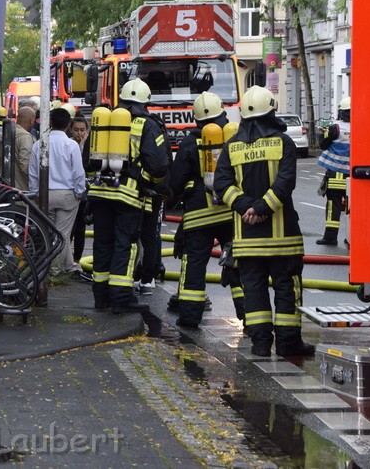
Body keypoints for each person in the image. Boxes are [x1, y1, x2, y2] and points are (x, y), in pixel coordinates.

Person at [214, 85, 314, 358]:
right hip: (283, 241)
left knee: (254, 291)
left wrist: (247, 208)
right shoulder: (284, 143)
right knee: (286, 288)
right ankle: (288, 343)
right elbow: (285, 184)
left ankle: (260, 344)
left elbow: (221, 184)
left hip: (247, 240)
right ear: (271, 111)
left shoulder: (231, 146)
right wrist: (262, 208)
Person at [86, 79, 171, 314]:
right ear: (146, 102)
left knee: (102, 244)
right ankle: (121, 298)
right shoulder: (148, 125)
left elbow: (88, 159)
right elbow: (159, 165)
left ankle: (101, 297)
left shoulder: (105, 120)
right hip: (129, 197)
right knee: (126, 245)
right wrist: (151, 185)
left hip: (100, 193)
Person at [168, 92, 244, 330]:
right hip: (231, 212)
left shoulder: (190, 143)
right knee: (238, 264)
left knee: (194, 266)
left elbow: (176, 182)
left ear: (196, 119)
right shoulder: (236, 137)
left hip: (199, 215)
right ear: (223, 112)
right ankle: (249, 317)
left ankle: (190, 318)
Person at [29, 108, 90, 281]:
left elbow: (33, 172)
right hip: (66, 195)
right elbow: (79, 172)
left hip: (44, 194)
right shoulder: (71, 145)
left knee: (50, 232)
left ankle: (68, 266)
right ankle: (55, 271)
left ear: (49, 123)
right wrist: (79, 192)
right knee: (62, 234)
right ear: (68, 125)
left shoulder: (39, 144)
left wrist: (35, 193)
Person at [316, 96, 350, 246]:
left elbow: (323, 145)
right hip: (354, 175)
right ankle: (352, 238)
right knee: (353, 208)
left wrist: (322, 133)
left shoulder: (334, 128)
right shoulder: (362, 126)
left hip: (335, 173)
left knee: (333, 205)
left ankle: (330, 237)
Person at [0, 106, 35, 189]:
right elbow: (26, 166)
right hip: (22, 192)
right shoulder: (26, 137)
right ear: (31, 120)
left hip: (4, 190)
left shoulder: (2, 135)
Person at [69, 115, 91, 268]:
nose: (79, 134)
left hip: (85, 191)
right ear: (71, 130)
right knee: (70, 227)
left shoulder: (89, 146)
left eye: (82, 130)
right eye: (76, 130)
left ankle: (77, 259)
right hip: (70, 191)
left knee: (81, 227)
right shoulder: (69, 145)